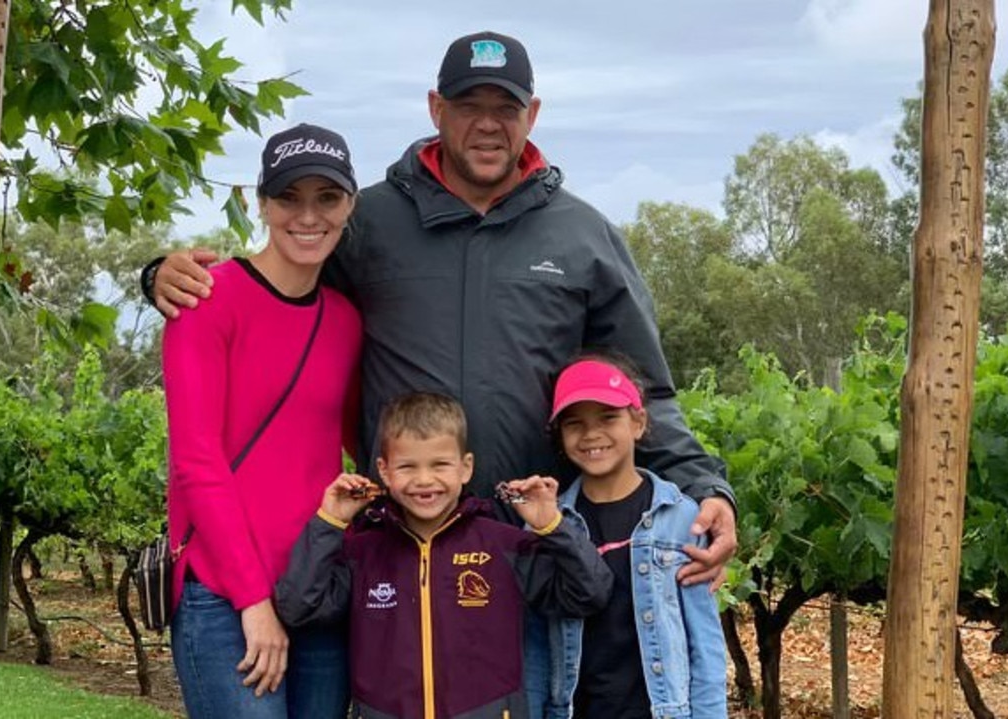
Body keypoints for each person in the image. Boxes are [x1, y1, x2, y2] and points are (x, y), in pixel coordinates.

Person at [146, 30, 739, 716]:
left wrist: (702, 483)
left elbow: (641, 388)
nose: (486, 123)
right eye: (466, 104)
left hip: (522, 558)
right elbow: (283, 272)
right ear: (434, 108)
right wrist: (164, 275)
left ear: (533, 114)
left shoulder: (583, 237)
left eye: (505, 106)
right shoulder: (371, 221)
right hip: (389, 561)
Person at [162, 123, 362, 719]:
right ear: (261, 203)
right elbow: (197, 463)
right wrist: (253, 601)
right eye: (289, 197)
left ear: (349, 205)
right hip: (226, 595)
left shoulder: (347, 320)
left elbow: (352, 439)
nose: (308, 215)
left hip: (318, 591)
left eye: (326, 198)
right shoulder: (205, 301)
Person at [275, 391, 613, 719]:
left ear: (465, 468)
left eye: (440, 464)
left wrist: (552, 525)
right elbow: (298, 606)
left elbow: (589, 593)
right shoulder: (362, 552)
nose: (424, 480)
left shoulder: (505, 546)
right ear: (384, 470)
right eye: (407, 466)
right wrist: (330, 521)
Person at [545, 354, 727, 718]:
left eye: (608, 417)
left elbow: (704, 645)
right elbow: (536, 644)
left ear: (638, 422)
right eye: (575, 423)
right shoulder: (551, 524)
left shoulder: (682, 519)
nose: (591, 433)